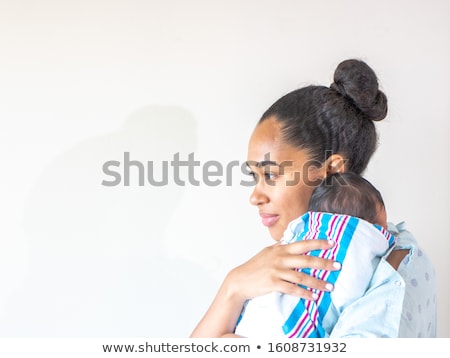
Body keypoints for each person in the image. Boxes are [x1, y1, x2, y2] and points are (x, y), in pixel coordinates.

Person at [190, 59, 437, 338]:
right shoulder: (281, 266)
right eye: (254, 177)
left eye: (270, 175)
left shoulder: (394, 269)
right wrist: (232, 287)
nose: (255, 197)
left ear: (330, 170)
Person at [234, 172, 396, 338]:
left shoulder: (294, 234)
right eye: (382, 227)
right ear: (371, 227)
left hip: (253, 320)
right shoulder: (363, 243)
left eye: (271, 175)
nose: (255, 198)